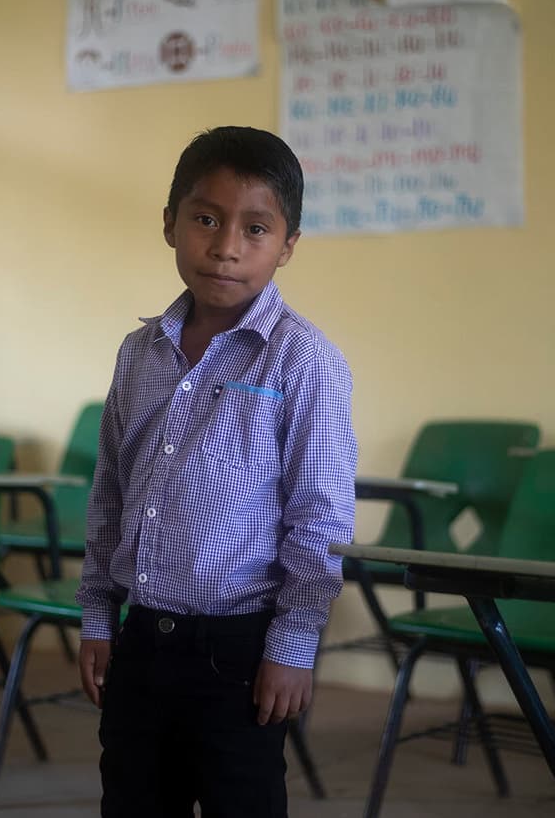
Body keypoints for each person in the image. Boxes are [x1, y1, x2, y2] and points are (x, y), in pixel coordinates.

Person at [76, 126, 358, 817]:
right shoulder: (139, 352)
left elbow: (320, 517)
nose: (226, 246)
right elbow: (110, 490)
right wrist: (97, 615)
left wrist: (294, 643)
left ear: (287, 245)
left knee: (242, 801)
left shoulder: (304, 360)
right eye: (205, 219)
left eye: (255, 229)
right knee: (133, 801)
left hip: (240, 649)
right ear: (170, 222)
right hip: (142, 639)